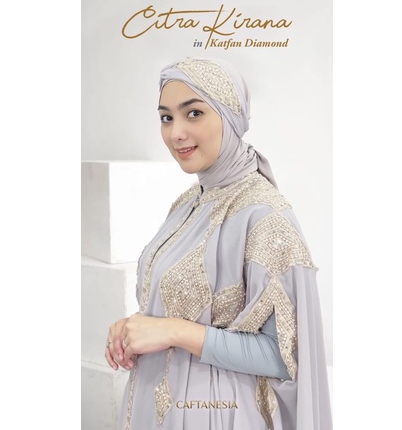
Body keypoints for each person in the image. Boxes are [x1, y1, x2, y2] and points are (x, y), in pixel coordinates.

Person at [105, 57, 332, 430]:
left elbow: (284, 355)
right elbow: (183, 302)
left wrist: (173, 331)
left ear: (231, 116)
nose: (176, 133)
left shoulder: (264, 216)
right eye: (166, 117)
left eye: (193, 113)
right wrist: (136, 325)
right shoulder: (188, 203)